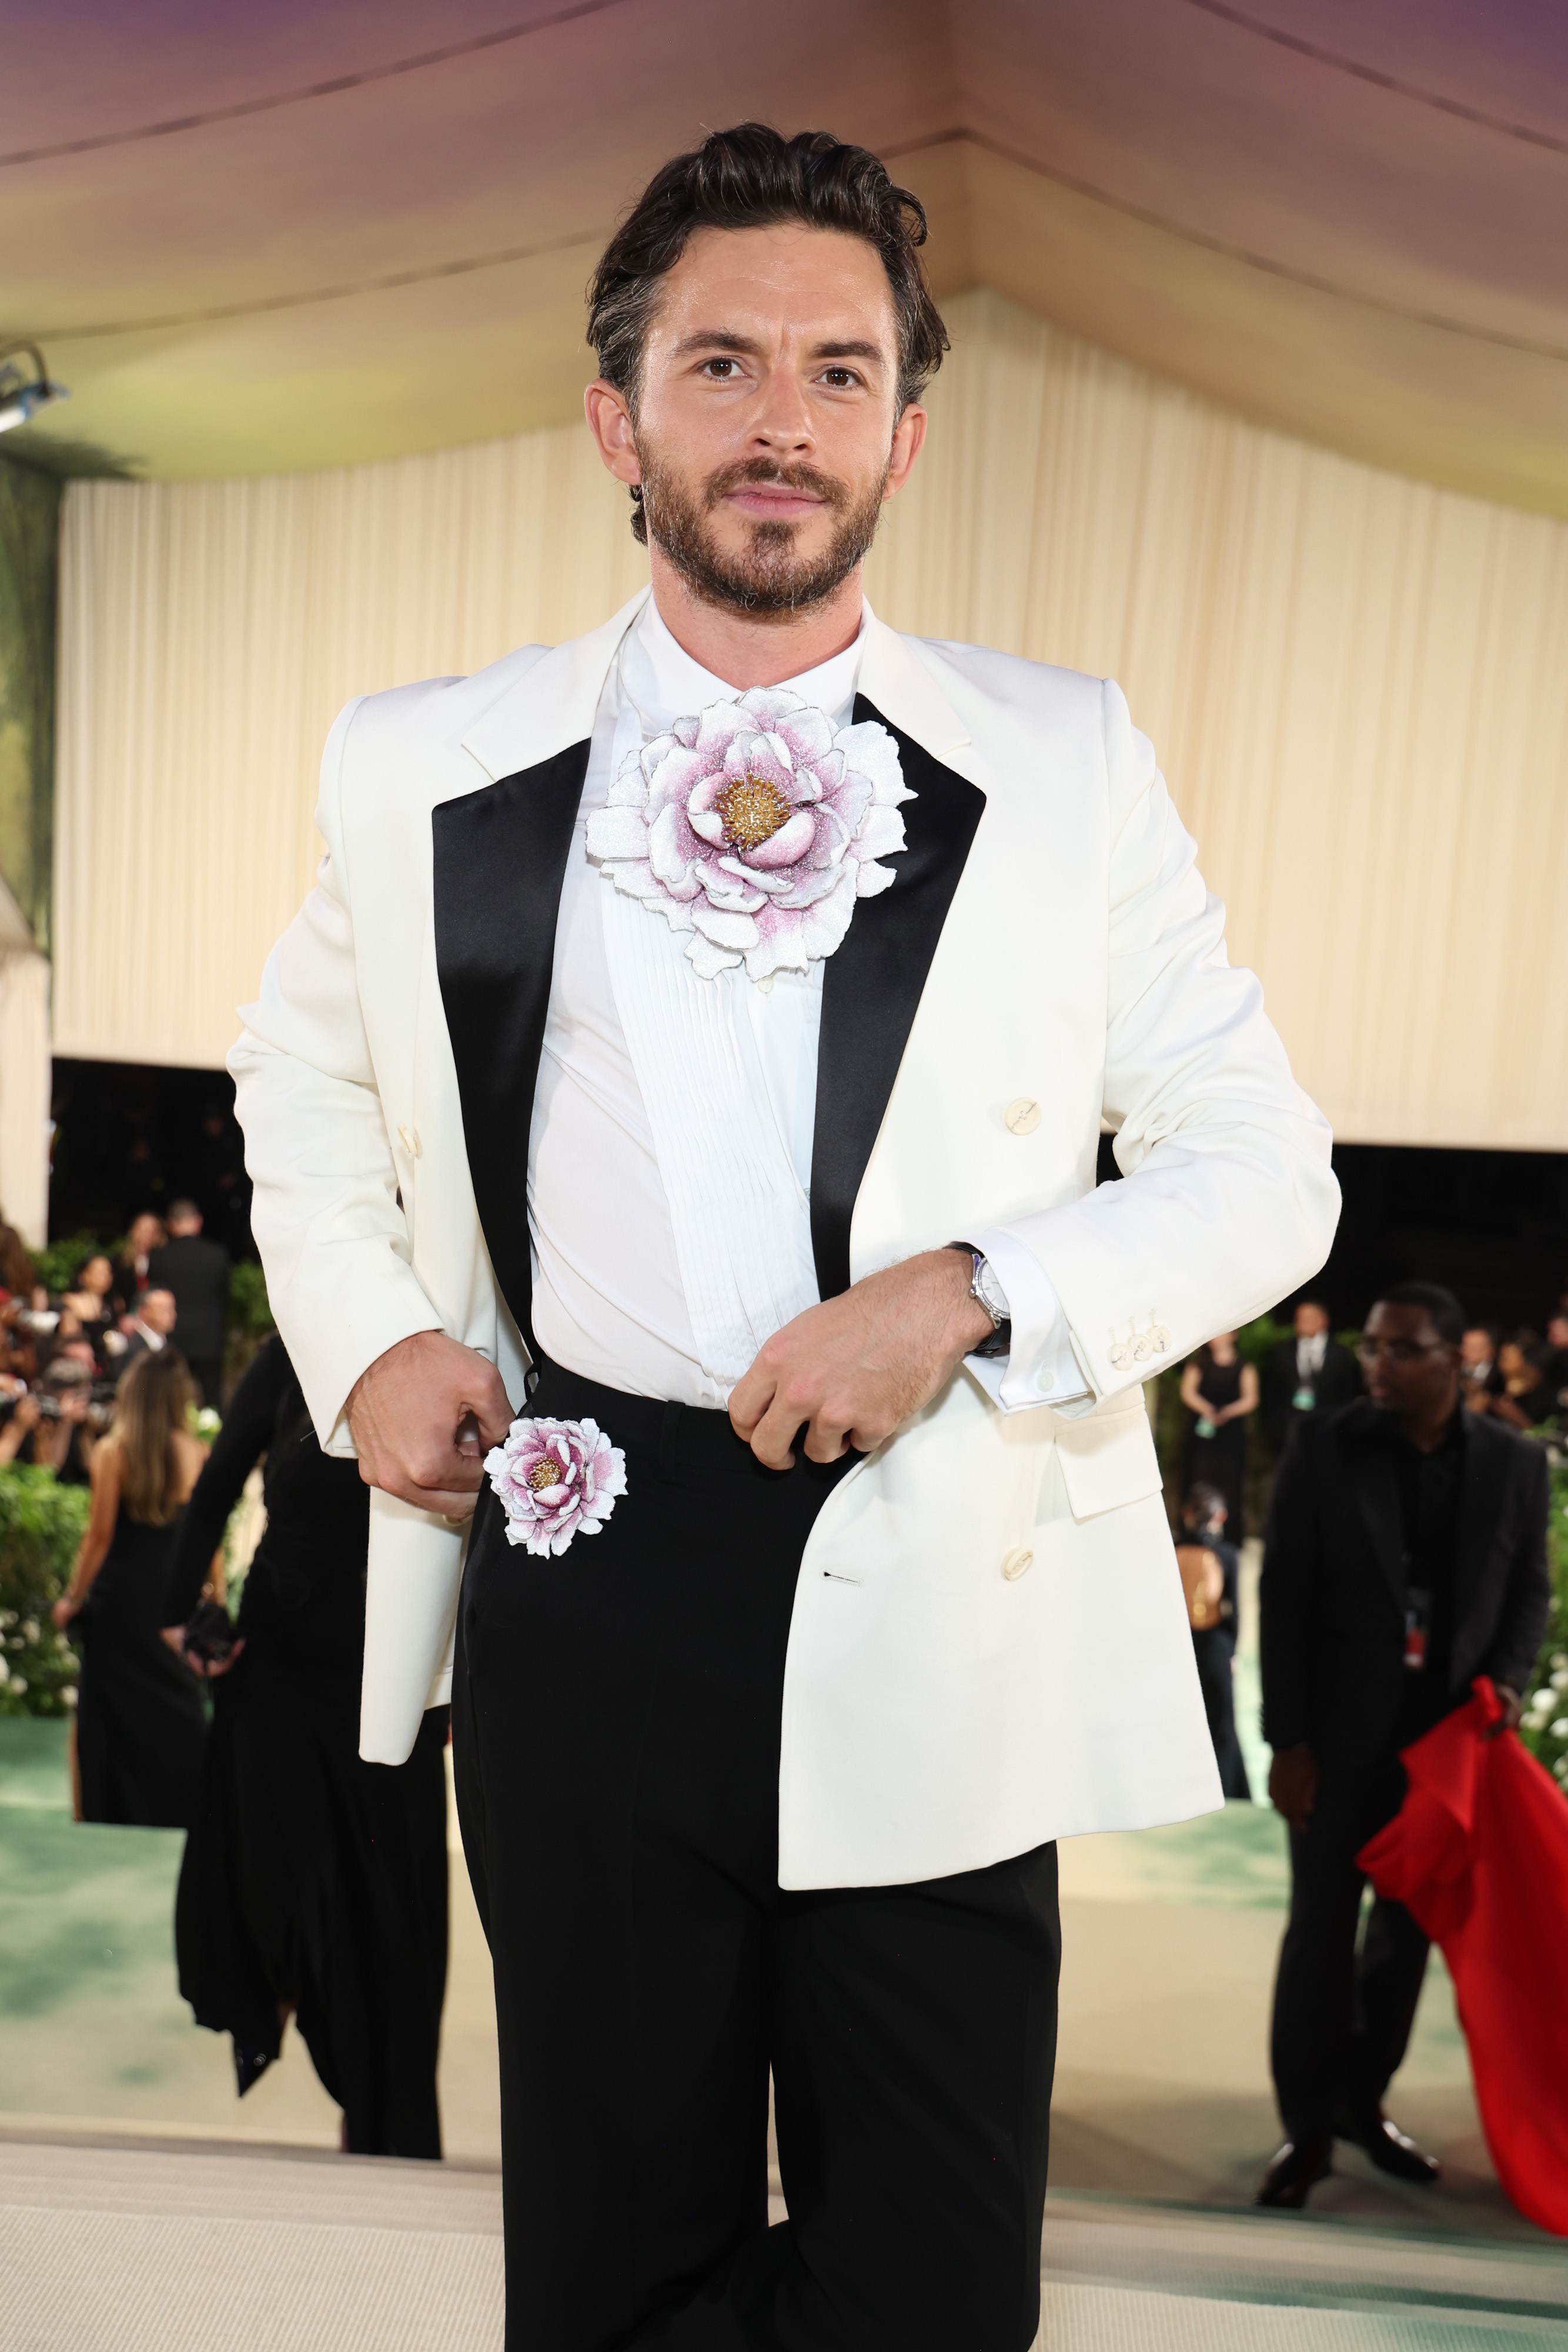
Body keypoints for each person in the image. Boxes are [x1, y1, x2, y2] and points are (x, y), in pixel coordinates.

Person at [230, 125, 1339, 2349]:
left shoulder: (1063, 761)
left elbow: (1262, 1165)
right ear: (613, 413)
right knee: (611, 2258)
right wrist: (366, 1345)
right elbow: (303, 1083)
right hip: (582, 1568)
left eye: (837, 373)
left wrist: (972, 1293)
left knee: (930, 2283)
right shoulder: (416, 762)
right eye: (717, 361)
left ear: (905, 435)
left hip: (930, 1576)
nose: (777, 420)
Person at [1258, 1279, 1549, 2209]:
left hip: (1443, 1750)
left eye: (1398, 1350)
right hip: (1335, 1743)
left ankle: (1359, 2105)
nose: (1375, 1364)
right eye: (1371, 1347)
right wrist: (1287, 1740)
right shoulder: (1323, 1446)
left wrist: (1504, 1680)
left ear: (1455, 1361)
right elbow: (1284, 1602)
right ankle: (1303, 2131)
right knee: (1318, 1932)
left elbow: (1528, 1589)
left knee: (1405, 1933)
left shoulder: (1510, 1462)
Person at [168, 1334, 449, 2159]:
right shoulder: (299, 1341)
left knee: (386, 1920)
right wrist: (180, 1604)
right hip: (281, 1665)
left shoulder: (467, 1334)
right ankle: (290, 2017)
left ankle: (382, 2124)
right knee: (274, 1886)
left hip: (395, 1684)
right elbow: (219, 1477)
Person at [51, 1348, 216, 1828]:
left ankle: (106, 1810)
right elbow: (210, 1540)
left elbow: (99, 1536)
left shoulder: (113, 1452)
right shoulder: (197, 1451)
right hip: (174, 1595)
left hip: (119, 1598)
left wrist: (72, 1598)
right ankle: (191, 1802)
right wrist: (216, 1595)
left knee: (105, 1709)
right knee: (180, 1697)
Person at [1176, 1482, 1250, 1799]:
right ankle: (1226, 1789)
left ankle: (1183, 1786)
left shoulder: (1172, 1549)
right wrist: (1233, 1651)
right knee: (1221, 1722)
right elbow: (1235, 1609)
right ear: (1220, 1516)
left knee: (1181, 1718)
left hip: (1180, 1646)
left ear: (1187, 1514)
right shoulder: (1227, 1555)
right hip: (1217, 1645)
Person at [148, 1201, 230, 1408]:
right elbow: (225, 1297)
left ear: (171, 1225)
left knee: (172, 1401)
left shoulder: (159, 1257)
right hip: (209, 1337)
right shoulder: (218, 1254)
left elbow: (152, 1298)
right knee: (212, 1402)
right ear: (198, 1222)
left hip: (174, 1338)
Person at [1180, 1331, 1259, 1538]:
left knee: (1229, 1482)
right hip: (1202, 1434)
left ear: (1233, 1336)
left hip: (1230, 1435)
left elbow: (1250, 1399)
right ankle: (1193, 1531)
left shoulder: (1244, 1366)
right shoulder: (1198, 1363)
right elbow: (1188, 1392)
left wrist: (1227, 1412)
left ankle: (1227, 1534)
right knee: (1198, 1478)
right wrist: (1207, 1410)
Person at [1262, 1298, 1359, 1454]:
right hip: (1289, 1432)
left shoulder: (1340, 1354)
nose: (1302, 1323)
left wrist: (1340, 1429)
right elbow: (1271, 1392)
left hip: (1328, 1431)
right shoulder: (1282, 1351)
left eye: (1309, 1318)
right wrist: (1276, 1428)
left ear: (1324, 1321)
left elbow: (1348, 1393)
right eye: (1299, 1318)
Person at [0, 1358, 97, 1484]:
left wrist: (72, 1426)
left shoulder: (66, 1423)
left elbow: (49, 1470)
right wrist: (18, 1428)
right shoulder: (21, 1419)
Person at [1492, 1331, 1561, 1431]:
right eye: (1501, 1358)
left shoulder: (1544, 1393)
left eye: (1507, 1358)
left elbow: (1545, 1433)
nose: (1501, 1363)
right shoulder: (1496, 1384)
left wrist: (1515, 1415)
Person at [115, 1285, 178, 1378]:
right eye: (163, 1309)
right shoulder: (134, 1352)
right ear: (143, 1311)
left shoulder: (170, 1346)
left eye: (172, 1308)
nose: (172, 1314)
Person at [112, 1212, 165, 1317]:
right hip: (127, 1317)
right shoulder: (120, 1261)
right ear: (134, 1231)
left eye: (153, 1232)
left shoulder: (163, 1261)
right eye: (143, 1230)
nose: (148, 1235)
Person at [1459, 1322, 1502, 1415]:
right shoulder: (1455, 1371)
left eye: (1476, 1348)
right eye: (1466, 1346)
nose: (1468, 1351)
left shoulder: (1500, 1373)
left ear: (1491, 1349)